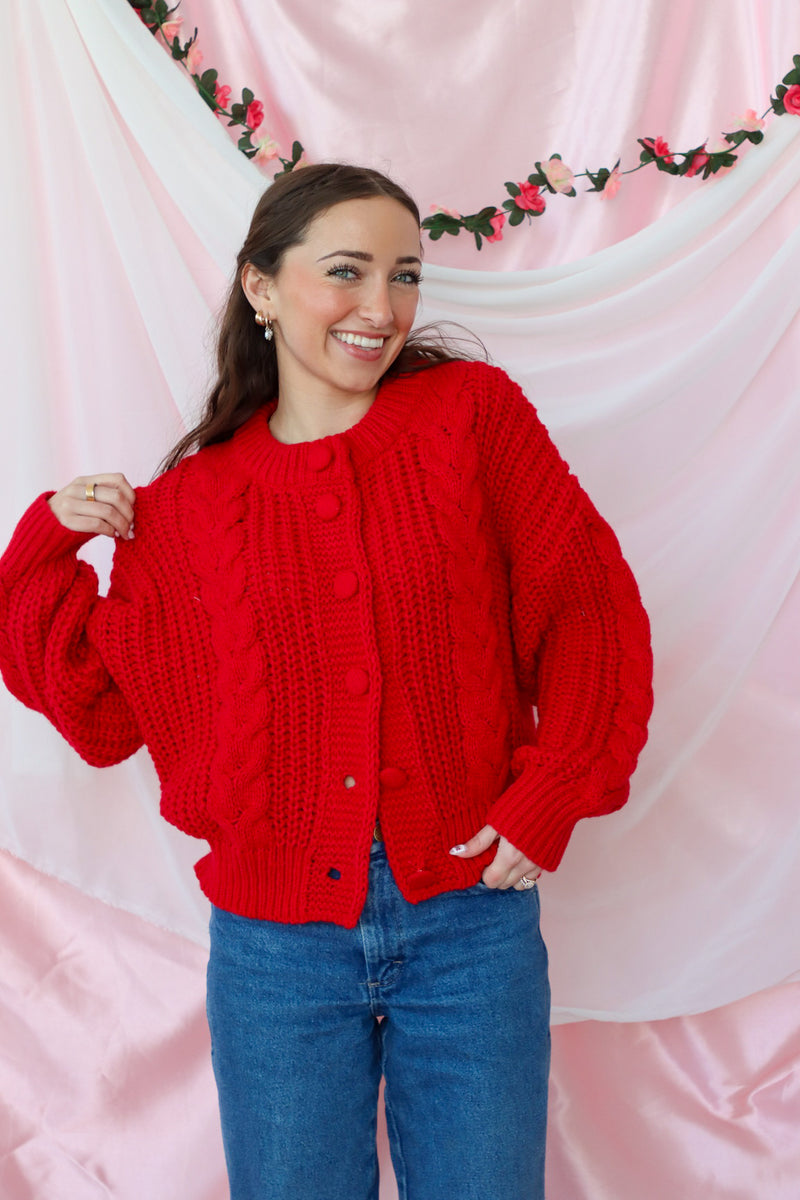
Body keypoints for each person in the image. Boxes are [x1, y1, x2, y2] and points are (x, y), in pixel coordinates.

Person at [0, 163, 653, 1200]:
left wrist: (553, 788)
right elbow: (96, 710)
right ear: (260, 286)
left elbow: (584, 608)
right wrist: (44, 547)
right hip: (275, 949)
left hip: (468, 922)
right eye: (344, 271)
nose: (380, 308)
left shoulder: (469, 420)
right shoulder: (189, 507)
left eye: (403, 276)